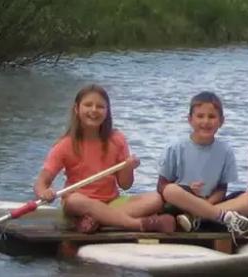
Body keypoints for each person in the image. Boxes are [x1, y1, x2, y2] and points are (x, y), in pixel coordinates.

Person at [33, 84, 174, 234]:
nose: (94, 110)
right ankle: (137, 224)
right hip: (79, 206)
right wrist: (44, 192)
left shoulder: (117, 139)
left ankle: (96, 220)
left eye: (100, 106)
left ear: (107, 112)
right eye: (88, 105)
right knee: (75, 200)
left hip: (112, 203)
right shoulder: (65, 145)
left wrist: (128, 167)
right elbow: (41, 182)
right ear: (76, 109)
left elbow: (125, 185)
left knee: (155, 199)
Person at [157, 91, 248, 239]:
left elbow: (222, 188)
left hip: (213, 203)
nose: (206, 121)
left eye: (212, 117)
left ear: (221, 121)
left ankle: (199, 218)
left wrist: (206, 205)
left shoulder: (225, 151)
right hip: (183, 205)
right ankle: (219, 218)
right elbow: (161, 186)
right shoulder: (175, 148)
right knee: (170, 190)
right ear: (190, 120)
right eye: (200, 116)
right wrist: (188, 190)